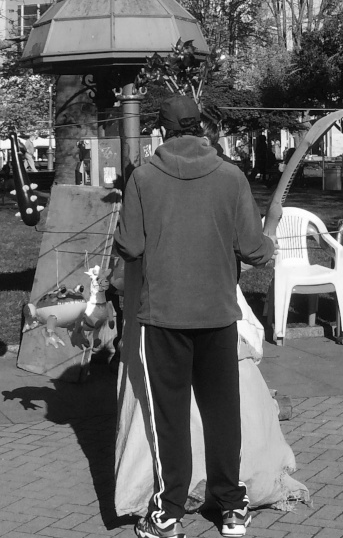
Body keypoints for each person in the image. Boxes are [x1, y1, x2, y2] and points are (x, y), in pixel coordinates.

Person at [114, 95, 276, 538]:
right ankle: (231, 507)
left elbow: (129, 245)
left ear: (161, 130)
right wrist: (269, 242)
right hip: (217, 315)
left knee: (169, 419)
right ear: (201, 127)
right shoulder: (231, 176)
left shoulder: (143, 178)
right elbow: (254, 249)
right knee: (223, 414)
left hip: (163, 316)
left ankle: (168, 513)